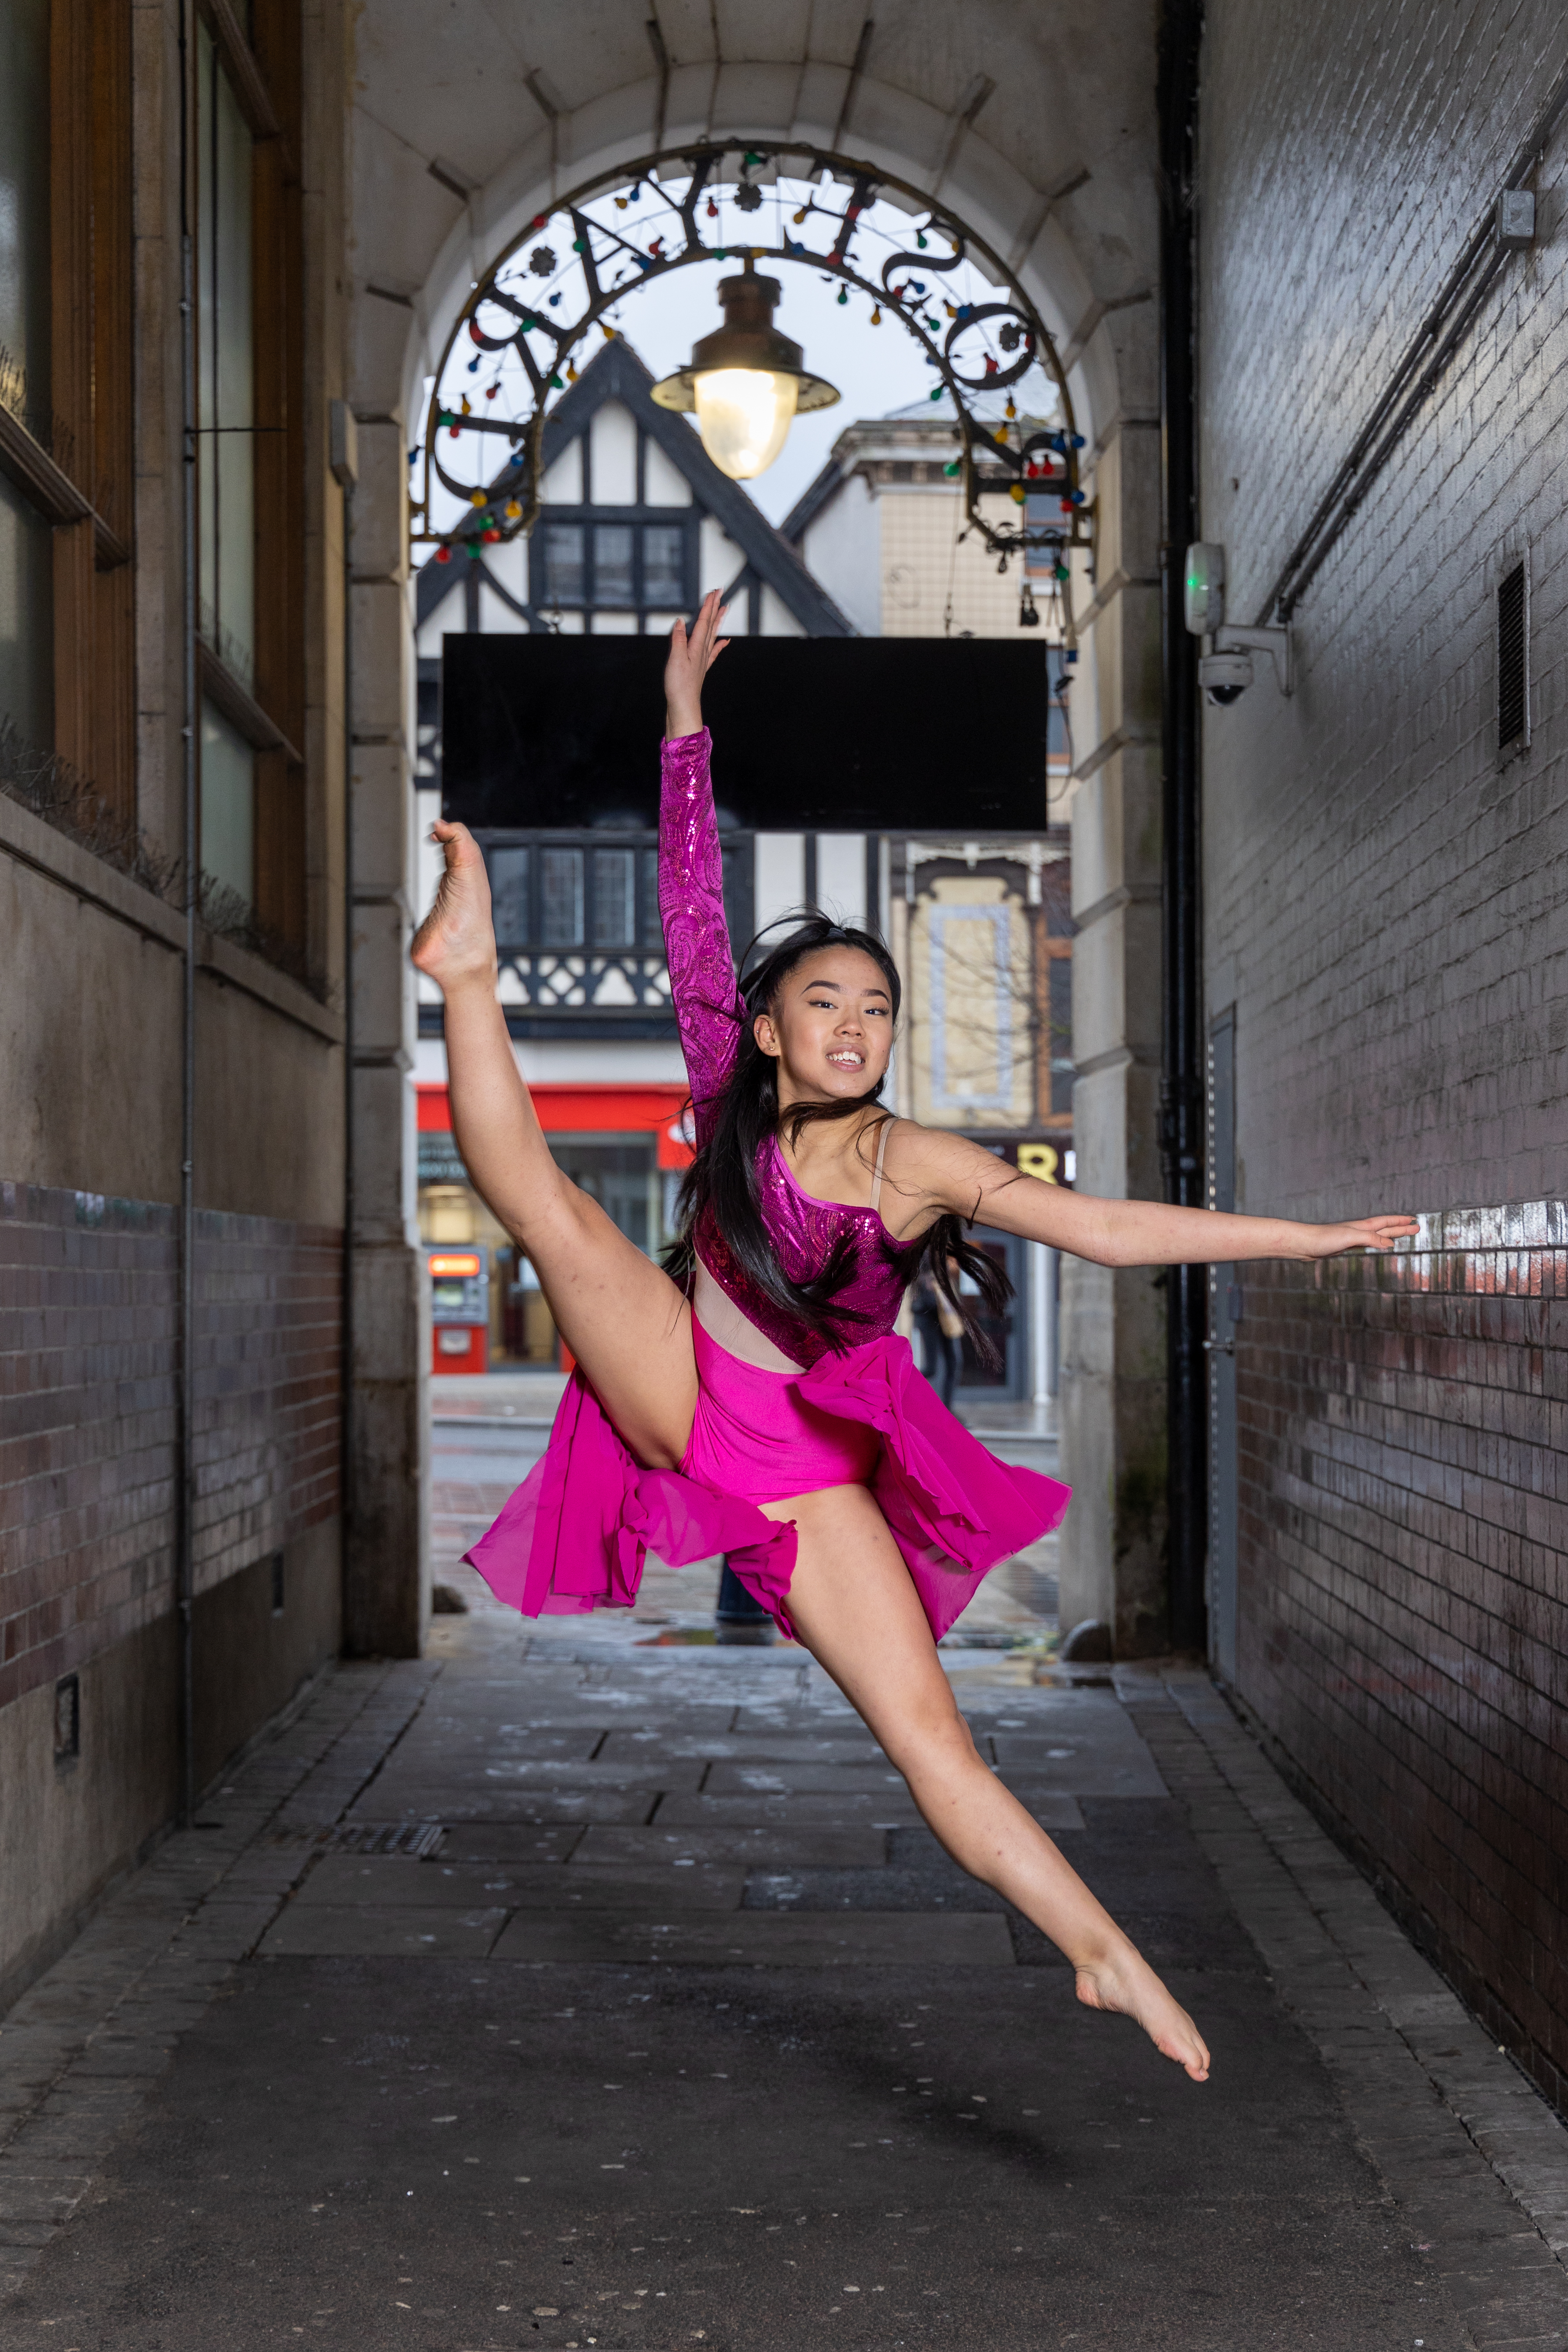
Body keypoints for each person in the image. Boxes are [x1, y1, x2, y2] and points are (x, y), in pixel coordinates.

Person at [412, 590, 1418, 2087]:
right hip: (686, 1391)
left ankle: (1102, 1949)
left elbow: (1107, 1230)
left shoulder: (921, 1159)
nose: (854, 1026)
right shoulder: (724, 1078)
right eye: (824, 1003)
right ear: (765, 1026)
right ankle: (467, 972)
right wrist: (685, 724)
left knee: (933, 1742)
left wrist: (1303, 1240)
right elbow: (695, 900)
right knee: (552, 1210)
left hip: (811, 1484)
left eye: (875, 1009)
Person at [912, 1257, 966, 1408]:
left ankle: (948, 1409)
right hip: (931, 1321)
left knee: (954, 1363)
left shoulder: (944, 1267)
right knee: (932, 1367)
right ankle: (903, 1390)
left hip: (947, 1321)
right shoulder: (925, 1273)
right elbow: (921, 1303)